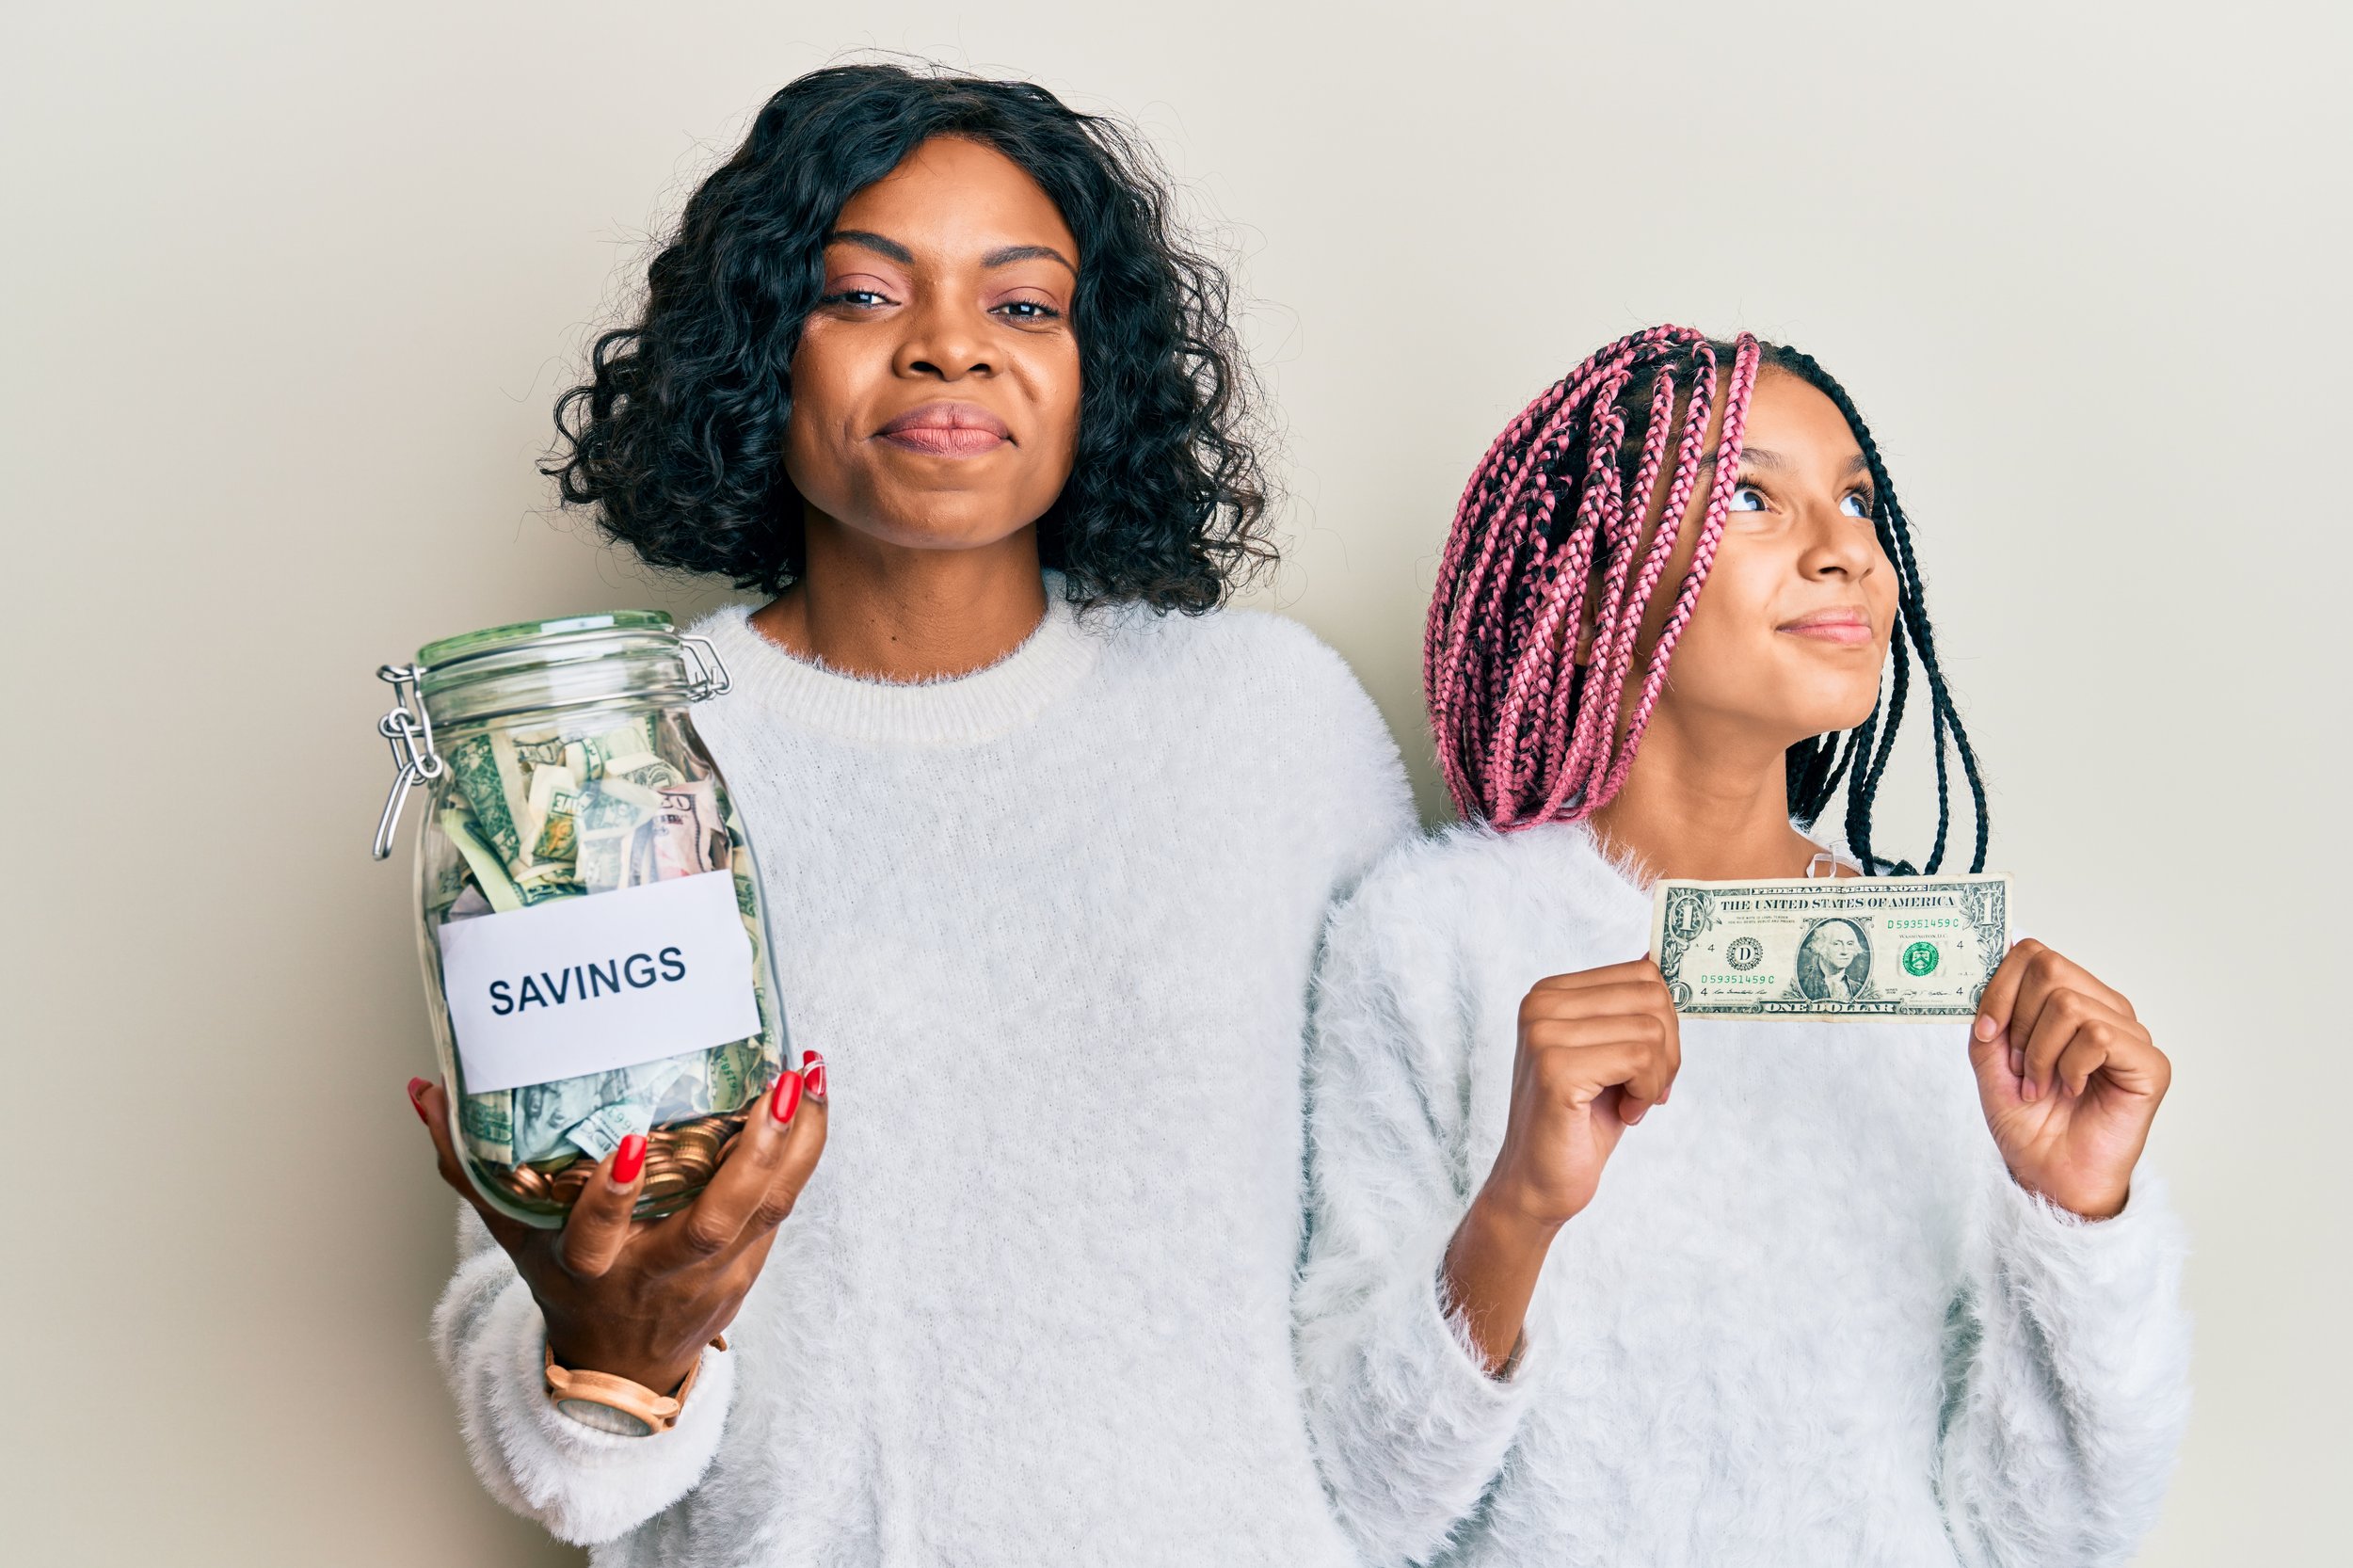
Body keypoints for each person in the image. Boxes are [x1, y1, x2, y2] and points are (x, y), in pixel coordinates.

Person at [410, 64, 1411, 1563]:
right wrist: (612, 1358)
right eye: (864, 295)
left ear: (1097, 367)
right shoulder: (618, 765)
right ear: (765, 349)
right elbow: (570, 1464)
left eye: (1024, 305)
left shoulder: (1274, 727)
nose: (951, 344)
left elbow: (1398, 1292)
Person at [1294, 327, 2189, 1566]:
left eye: (1858, 501)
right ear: (1597, 585)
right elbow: (1364, 1498)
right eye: (1754, 497)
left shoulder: (1949, 997)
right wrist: (1519, 1205)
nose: (1846, 549)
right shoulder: (1432, 940)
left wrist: (2076, 1211)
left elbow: (2050, 1536)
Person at [1790, 916, 1873, 1001]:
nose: (1845, 951)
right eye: (1836, 944)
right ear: (1821, 947)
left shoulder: (1859, 988)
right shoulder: (1802, 986)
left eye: (1850, 944)